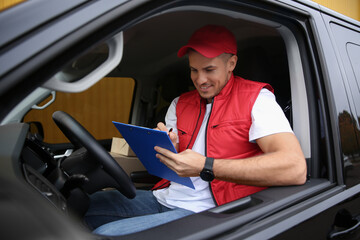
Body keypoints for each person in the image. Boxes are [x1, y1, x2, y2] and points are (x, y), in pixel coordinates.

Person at [85, 25, 307, 236]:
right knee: (83, 204)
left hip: (210, 211)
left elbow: (294, 169)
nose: (200, 80)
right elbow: (177, 161)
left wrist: (206, 165)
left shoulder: (258, 99)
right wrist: (168, 147)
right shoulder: (179, 103)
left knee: (105, 235)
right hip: (164, 196)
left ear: (231, 63)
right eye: (194, 70)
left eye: (209, 70)